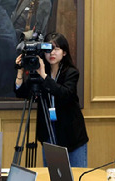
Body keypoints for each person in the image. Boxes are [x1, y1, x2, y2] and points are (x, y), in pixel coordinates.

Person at [15, 32, 88, 167]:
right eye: (48, 49)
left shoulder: (71, 72)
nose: (52, 53)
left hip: (71, 134)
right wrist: (20, 72)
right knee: (53, 179)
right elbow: (22, 93)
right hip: (48, 131)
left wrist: (43, 75)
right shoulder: (39, 71)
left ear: (64, 52)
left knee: (76, 179)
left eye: (57, 49)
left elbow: (64, 94)